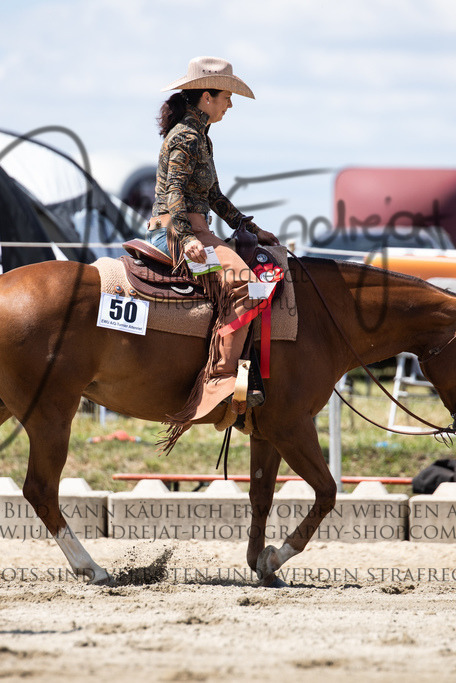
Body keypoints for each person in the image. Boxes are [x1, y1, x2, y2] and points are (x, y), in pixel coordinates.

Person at [150, 56, 280, 426]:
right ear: (206, 97)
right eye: (226, 96)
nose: (230, 104)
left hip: (195, 228)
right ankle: (221, 377)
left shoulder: (200, 136)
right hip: (177, 233)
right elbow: (174, 190)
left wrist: (248, 228)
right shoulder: (187, 136)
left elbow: (214, 196)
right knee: (248, 286)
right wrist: (188, 237)